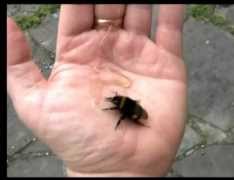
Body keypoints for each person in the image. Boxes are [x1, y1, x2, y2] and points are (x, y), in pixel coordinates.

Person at [7, 4, 187, 177]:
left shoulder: (121, 107)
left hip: (138, 114)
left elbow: (124, 109)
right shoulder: (124, 105)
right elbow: (126, 107)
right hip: (137, 113)